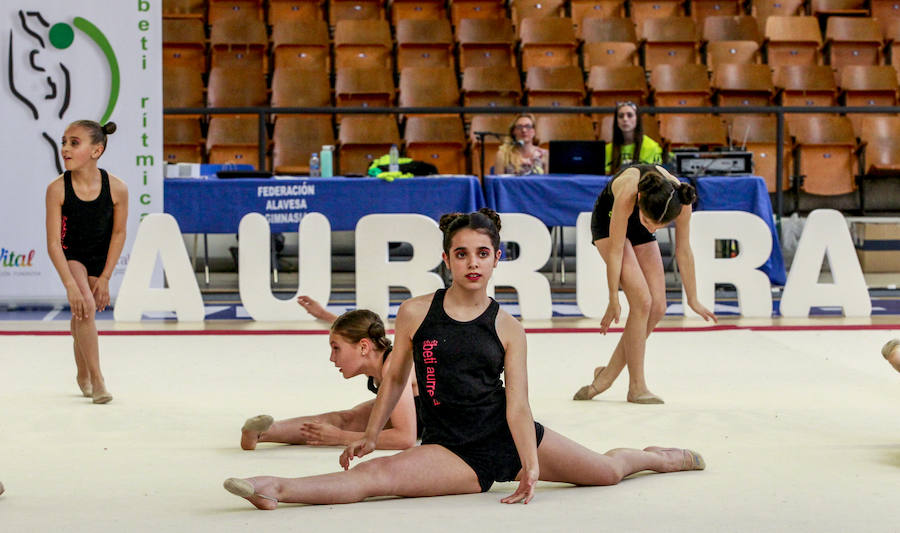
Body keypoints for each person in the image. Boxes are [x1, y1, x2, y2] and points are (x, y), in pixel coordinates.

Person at [223, 208, 705, 510]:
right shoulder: (415, 312)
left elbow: (517, 407)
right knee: (377, 478)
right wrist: (370, 435)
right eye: (461, 254)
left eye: (482, 253)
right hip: (451, 445)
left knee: (605, 472)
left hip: (507, 434)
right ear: (447, 259)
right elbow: (394, 379)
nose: (472, 262)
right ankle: (276, 488)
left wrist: (531, 463)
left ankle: (657, 457)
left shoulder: (508, 328)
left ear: (496, 259)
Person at [573, 164, 716, 404]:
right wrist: (613, 298)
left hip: (640, 216)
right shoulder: (629, 190)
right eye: (651, 223)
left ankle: (607, 374)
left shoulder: (681, 198)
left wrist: (692, 298)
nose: (654, 230)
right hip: (610, 220)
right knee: (641, 301)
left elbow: (684, 251)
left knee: (658, 306)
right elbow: (616, 251)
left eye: (660, 228)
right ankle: (636, 387)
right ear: (641, 199)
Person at [240, 307, 422, 451]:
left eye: (336, 349)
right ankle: (262, 433)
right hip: (422, 412)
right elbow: (356, 332)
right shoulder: (377, 354)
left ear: (364, 347)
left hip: (444, 420)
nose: (332, 358)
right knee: (347, 419)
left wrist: (340, 437)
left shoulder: (393, 366)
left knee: (347, 425)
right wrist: (323, 314)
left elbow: (405, 438)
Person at [45, 121, 127, 404]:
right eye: (64, 142)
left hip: (99, 256)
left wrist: (105, 276)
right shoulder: (57, 189)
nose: (65, 148)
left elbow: (118, 233)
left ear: (97, 150)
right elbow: (54, 243)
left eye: (74, 143)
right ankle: (97, 379)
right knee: (86, 307)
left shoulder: (117, 188)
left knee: (82, 314)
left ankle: (81, 371)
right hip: (72, 255)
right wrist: (69, 283)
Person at [605, 102, 664, 174]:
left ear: (637, 119)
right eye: (621, 116)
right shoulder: (607, 149)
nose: (625, 119)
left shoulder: (652, 147)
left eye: (630, 115)